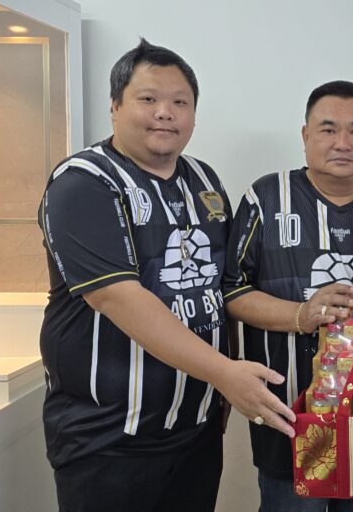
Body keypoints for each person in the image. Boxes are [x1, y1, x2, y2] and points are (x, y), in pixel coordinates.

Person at [38, 38, 294, 512]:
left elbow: (219, 288)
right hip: (108, 438)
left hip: (194, 430)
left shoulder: (204, 181)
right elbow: (119, 298)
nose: (165, 113)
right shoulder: (84, 183)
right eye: (148, 99)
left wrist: (221, 386)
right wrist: (225, 374)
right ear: (115, 106)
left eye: (180, 102)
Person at [223, 80, 353, 512]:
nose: (342, 142)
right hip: (288, 412)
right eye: (328, 129)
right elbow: (231, 290)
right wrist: (302, 313)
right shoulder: (266, 197)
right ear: (305, 135)